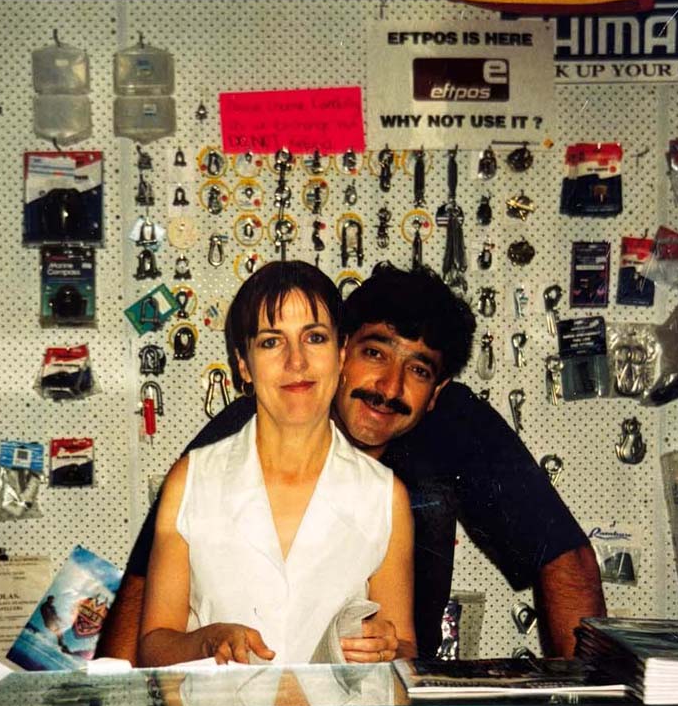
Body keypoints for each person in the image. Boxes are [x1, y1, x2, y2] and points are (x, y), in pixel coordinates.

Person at [102, 265, 604, 662]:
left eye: (418, 369)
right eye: (376, 353)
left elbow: (566, 560)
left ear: (437, 393)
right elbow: (148, 591)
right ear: (346, 352)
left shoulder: (458, 428)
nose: (389, 387)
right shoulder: (247, 425)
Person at [136, 260, 416, 667]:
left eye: (314, 338)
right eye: (271, 342)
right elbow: (153, 647)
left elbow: (404, 648)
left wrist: (386, 647)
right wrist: (208, 641)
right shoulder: (191, 480)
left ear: (340, 355)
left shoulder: (384, 496)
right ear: (244, 366)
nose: (296, 361)